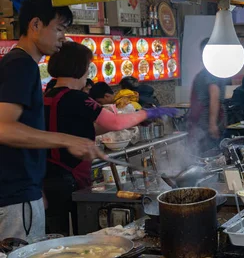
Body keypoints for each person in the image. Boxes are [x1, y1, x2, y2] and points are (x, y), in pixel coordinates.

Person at [43, 42, 177, 235]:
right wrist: (146, 114)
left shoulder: (49, 95)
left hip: (48, 179)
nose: (88, 73)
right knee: (78, 234)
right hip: (68, 179)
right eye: (88, 67)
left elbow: (82, 130)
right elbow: (114, 122)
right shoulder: (77, 98)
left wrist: (135, 121)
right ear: (79, 68)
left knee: (56, 237)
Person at [0, 0, 104, 241]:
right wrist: (68, 140)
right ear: (35, 25)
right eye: (58, 29)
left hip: (22, 193)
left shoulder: (19, 64)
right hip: (15, 197)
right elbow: (4, 128)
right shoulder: (20, 65)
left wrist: (38, 188)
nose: (63, 37)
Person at [189, 38, 226, 152]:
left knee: (207, 153)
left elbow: (214, 97)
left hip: (205, 121)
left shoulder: (211, 72)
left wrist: (212, 124)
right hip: (205, 120)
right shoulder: (214, 71)